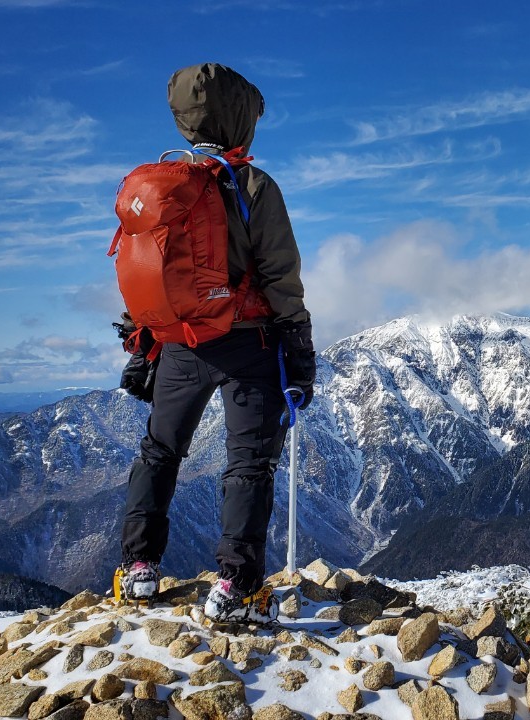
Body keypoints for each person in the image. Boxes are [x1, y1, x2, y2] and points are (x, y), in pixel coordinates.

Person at [114, 63, 316, 624]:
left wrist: (143, 344)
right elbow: (280, 276)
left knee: (160, 451)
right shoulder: (252, 186)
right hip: (247, 345)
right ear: (240, 116)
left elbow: (146, 272)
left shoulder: (158, 186)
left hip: (178, 344)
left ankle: (137, 571)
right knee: (248, 464)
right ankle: (237, 588)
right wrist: (298, 347)